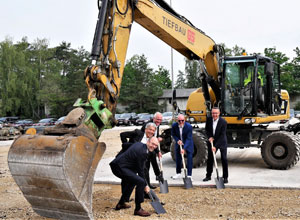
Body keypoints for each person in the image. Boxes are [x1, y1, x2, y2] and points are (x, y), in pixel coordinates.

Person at [110, 137, 159, 217]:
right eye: (152, 144)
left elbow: (126, 145)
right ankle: (138, 209)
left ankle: (121, 203)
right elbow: (141, 171)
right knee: (141, 182)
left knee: (134, 181)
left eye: (156, 145)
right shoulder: (142, 152)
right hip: (119, 167)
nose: (153, 146)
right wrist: (146, 186)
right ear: (148, 142)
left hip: (120, 165)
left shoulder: (140, 145)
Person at [120, 123, 161, 189]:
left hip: (141, 159)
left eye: (153, 131)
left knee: (145, 173)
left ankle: (146, 193)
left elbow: (154, 147)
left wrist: (158, 152)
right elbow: (122, 135)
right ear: (145, 129)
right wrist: (128, 147)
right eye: (150, 129)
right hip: (130, 159)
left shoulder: (151, 139)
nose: (151, 132)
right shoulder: (137, 133)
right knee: (127, 176)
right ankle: (125, 197)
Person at [203, 107, 229, 183]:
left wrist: (216, 146)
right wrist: (210, 137)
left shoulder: (223, 122)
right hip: (212, 141)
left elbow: (222, 135)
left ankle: (225, 177)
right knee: (210, 158)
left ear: (219, 113)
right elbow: (207, 130)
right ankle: (208, 175)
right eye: (213, 113)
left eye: (216, 113)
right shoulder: (209, 119)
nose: (214, 115)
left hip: (222, 141)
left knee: (224, 159)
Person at [171, 114, 194, 180]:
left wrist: (184, 148)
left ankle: (189, 175)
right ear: (177, 120)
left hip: (188, 144)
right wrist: (177, 140)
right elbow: (173, 134)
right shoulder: (174, 126)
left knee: (189, 159)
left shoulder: (189, 126)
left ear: (185, 120)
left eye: (182, 120)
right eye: (179, 121)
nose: (181, 122)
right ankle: (178, 173)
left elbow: (189, 138)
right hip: (179, 144)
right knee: (178, 158)